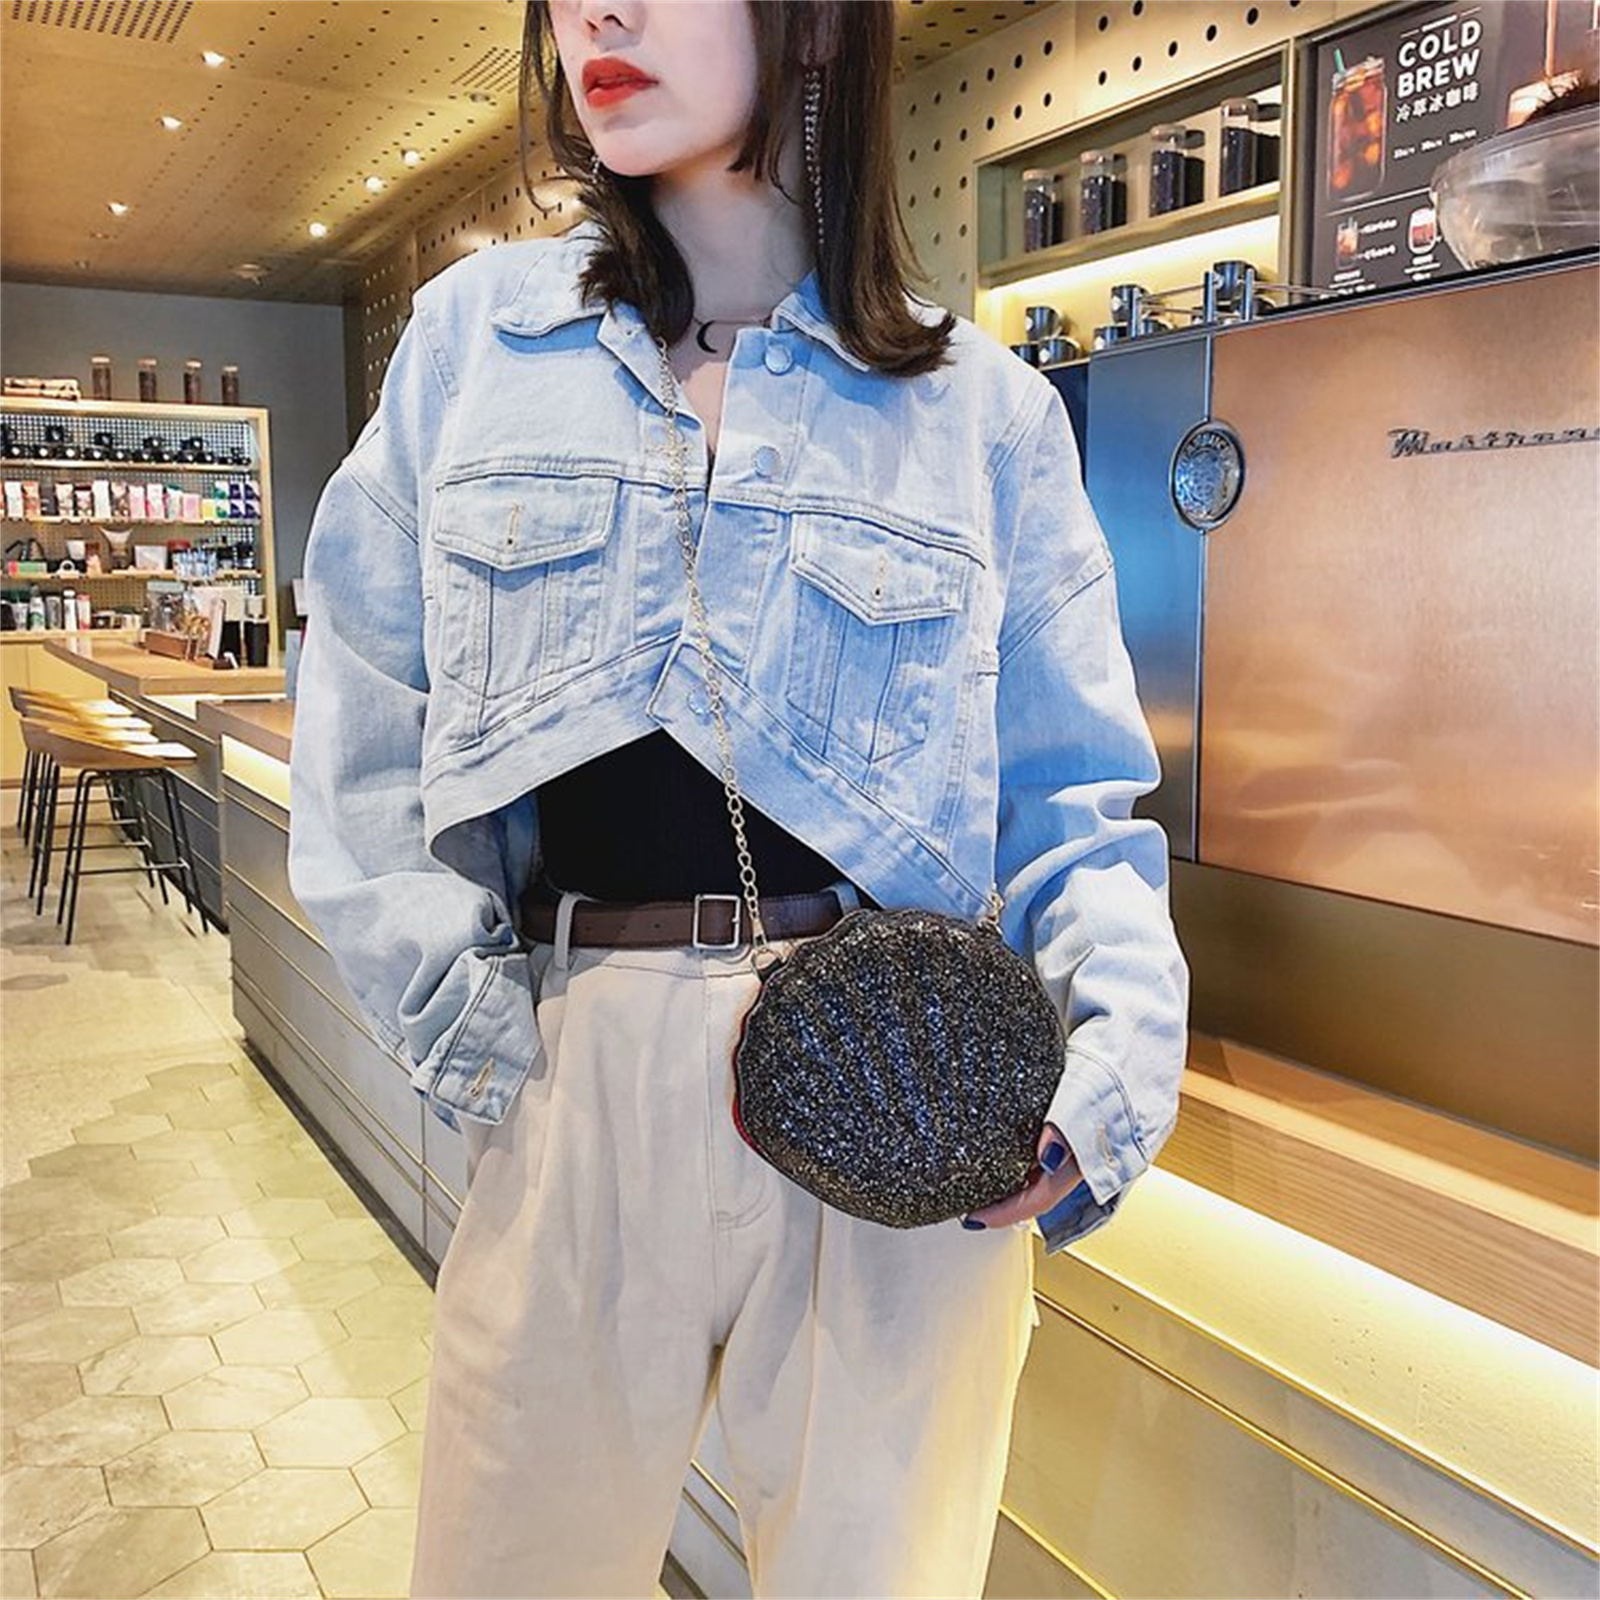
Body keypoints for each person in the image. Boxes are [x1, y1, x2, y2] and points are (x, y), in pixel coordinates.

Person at [287, 1, 1189, 1595]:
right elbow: (359, 703)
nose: (600, 13)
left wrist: (1108, 1071)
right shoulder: (476, 346)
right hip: (579, 1060)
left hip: (896, 1086)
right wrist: (473, 1031)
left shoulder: (979, 412)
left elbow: (1074, 802)